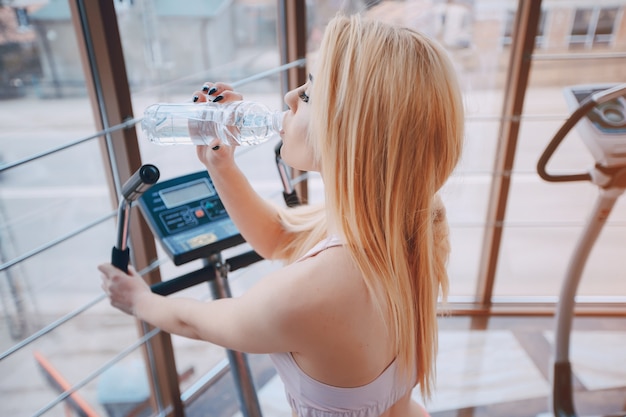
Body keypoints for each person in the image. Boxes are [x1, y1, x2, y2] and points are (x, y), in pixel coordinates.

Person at [99, 13, 463, 417]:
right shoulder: (413, 225)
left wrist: (138, 300)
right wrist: (220, 165)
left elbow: (196, 323)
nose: (290, 96)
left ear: (349, 131)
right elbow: (278, 236)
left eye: (309, 94)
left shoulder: (310, 291)